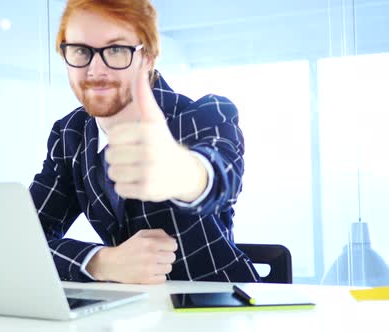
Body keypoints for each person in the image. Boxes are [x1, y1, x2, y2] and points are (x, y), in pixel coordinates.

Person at [29, 0, 260, 284]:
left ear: (148, 57)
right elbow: (24, 240)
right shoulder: (70, 134)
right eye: (80, 51)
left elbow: (221, 178)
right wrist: (101, 262)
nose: (95, 70)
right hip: (127, 311)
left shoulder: (205, 114)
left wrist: (181, 173)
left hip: (216, 308)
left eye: (115, 50)